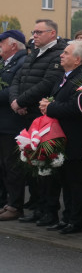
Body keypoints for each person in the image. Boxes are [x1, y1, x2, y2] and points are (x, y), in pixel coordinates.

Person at [38, 40, 82, 235]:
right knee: (66, 182)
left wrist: (51, 107)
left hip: (77, 139)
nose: (61, 55)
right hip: (63, 138)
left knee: (77, 183)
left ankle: (77, 221)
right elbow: (59, 99)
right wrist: (48, 103)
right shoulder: (64, 76)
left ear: (78, 59)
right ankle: (67, 217)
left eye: (66, 53)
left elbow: (78, 107)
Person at [0, 30, 29, 221]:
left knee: (13, 167)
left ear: (13, 45)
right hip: (4, 122)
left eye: (1, 43)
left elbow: (15, 90)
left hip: (12, 123)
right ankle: (5, 202)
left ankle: (15, 204)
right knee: (3, 166)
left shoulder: (22, 63)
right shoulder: (6, 63)